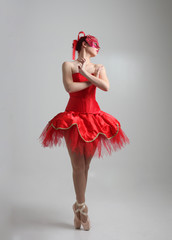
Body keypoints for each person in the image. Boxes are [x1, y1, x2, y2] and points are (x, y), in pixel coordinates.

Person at [39, 31, 130, 231]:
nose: (98, 48)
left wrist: (88, 74)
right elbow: (69, 88)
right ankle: (82, 207)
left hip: (94, 119)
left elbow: (105, 86)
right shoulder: (68, 65)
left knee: (86, 167)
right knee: (78, 166)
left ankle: (77, 206)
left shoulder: (99, 67)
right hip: (73, 118)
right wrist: (91, 80)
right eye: (95, 44)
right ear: (84, 44)